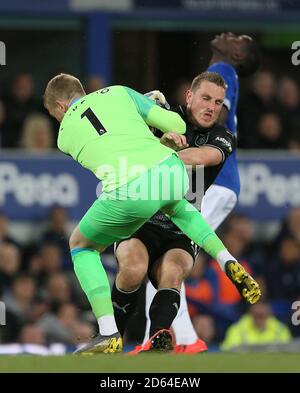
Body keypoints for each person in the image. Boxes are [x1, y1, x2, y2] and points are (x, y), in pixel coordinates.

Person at [44, 72, 260, 354]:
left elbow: (114, 139)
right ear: (189, 96)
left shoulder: (64, 137)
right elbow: (173, 124)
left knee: (81, 246)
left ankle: (110, 333)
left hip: (136, 195)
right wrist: (159, 142)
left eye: (218, 102)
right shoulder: (123, 92)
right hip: (169, 179)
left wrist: (153, 138)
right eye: (206, 98)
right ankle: (227, 259)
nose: (212, 106)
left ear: (60, 108)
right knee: (165, 226)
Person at [114, 32, 261, 353]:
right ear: (190, 95)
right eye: (205, 99)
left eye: (238, 38)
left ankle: (168, 339)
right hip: (210, 185)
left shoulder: (222, 71)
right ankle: (182, 338)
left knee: (167, 258)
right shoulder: (199, 97)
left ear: (238, 53)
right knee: (166, 256)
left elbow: (197, 142)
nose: (228, 35)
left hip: (211, 184)